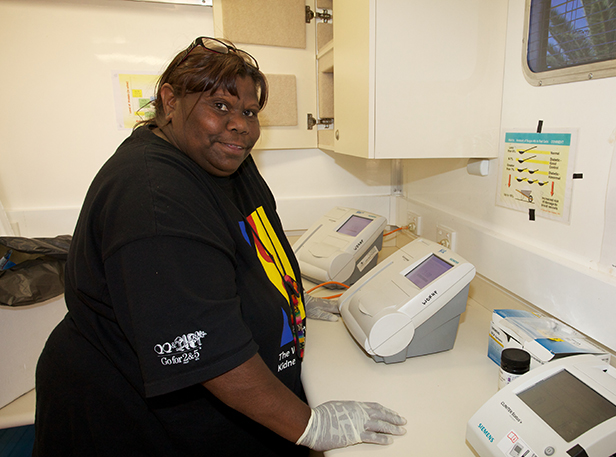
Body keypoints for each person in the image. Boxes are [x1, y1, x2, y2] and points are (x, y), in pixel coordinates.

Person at [33, 36, 406, 456]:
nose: (241, 125)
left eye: (249, 111)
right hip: (128, 418)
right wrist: (312, 424)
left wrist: (288, 300)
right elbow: (208, 352)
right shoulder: (153, 197)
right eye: (221, 106)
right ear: (170, 101)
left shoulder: (224, 161)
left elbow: (254, 248)